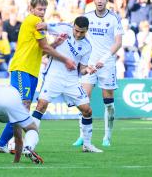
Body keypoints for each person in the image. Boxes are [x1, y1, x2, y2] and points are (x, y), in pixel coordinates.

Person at [0, 0, 76, 153]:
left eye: (44, 9)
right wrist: (66, 60)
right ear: (31, 9)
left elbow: (41, 50)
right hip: (21, 68)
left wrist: (57, 43)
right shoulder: (33, 20)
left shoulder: (37, 24)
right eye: (39, 9)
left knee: (23, 109)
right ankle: (16, 143)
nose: (41, 12)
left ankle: (2, 143)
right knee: (22, 105)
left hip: (32, 71)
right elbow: (45, 48)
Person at [32, 16, 102, 153]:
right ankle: (30, 144)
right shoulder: (63, 28)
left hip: (71, 80)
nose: (78, 34)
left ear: (87, 30)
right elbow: (41, 26)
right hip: (54, 75)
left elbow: (81, 69)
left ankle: (87, 144)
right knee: (41, 105)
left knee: (87, 110)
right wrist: (52, 40)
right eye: (76, 30)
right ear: (73, 26)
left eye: (82, 32)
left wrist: (88, 70)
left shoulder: (87, 46)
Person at [73, 0, 123, 147]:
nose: (100, 1)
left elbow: (118, 42)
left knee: (108, 103)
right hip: (89, 64)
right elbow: (78, 36)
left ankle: (107, 136)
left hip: (106, 64)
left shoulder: (114, 18)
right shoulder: (87, 17)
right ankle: (82, 135)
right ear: (93, 0)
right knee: (83, 99)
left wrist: (104, 59)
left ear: (107, 0)